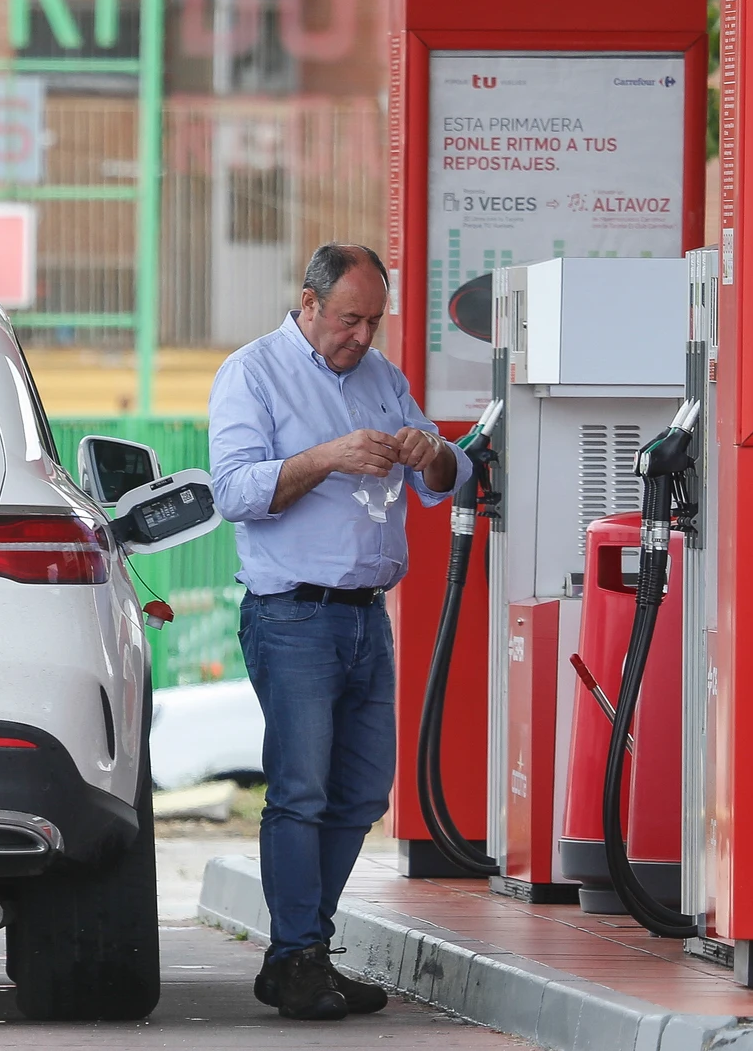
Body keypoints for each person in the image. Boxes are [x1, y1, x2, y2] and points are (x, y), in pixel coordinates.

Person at [208, 243, 468, 1022]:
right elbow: (233, 489)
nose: (361, 336)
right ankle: (297, 952)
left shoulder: (384, 380)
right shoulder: (252, 372)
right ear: (310, 302)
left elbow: (445, 480)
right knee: (301, 791)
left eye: (373, 321)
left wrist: (435, 451)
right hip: (292, 613)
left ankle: (301, 950)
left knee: (360, 791)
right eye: (350, 318)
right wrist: (328, 456)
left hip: (364, 617)